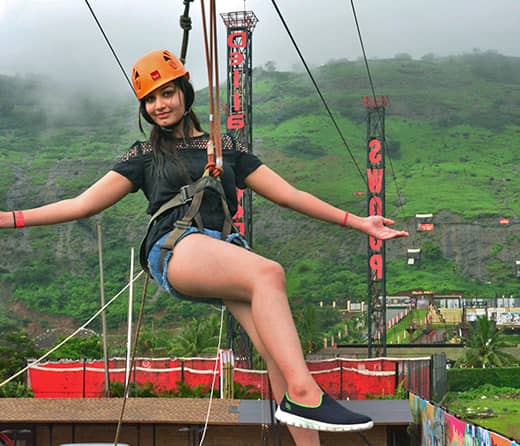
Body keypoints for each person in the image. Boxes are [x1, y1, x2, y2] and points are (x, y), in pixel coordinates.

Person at [0, 49, 408, 445]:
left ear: (184, 91)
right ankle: (306, 392)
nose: (159, 105)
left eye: (167, 93)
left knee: (276, 352)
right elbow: (82, 204)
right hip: (175, 247)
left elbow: (288, 194)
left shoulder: (228, 148)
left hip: (223, 247)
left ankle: (303, 420)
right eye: (149, 100)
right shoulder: (144, 155)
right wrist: (10, 218)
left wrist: (358, 222)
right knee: (268, 272)